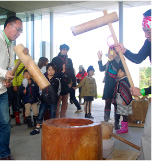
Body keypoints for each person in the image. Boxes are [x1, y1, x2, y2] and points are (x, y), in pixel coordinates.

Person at [115, 9, 151, 160]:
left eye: (148, 31)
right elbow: (137, 59)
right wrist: (124, 51)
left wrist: (143, 91)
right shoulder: (149, 42)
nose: (146, 35)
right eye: (144, 31)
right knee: (149, 134)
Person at [0, 16, 23, 160]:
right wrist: (4, 73)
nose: (19, 33)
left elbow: (9, 66)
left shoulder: (11, 45)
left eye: (21, 31)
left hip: (2, 91)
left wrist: (7, 79)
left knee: (5, 124)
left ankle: (4, 154)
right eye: (18, 29)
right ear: (8, 25)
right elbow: (4, 70)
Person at [30, 62, 60, 135]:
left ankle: (52, 129)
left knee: (52, 114)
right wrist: (41, 96)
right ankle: (37, 128)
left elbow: (59, 90)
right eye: (49, 69)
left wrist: (56, 97)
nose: (51, 71)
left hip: (53, 101)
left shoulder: (57, 80)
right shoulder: (43, 79)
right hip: (44, 100)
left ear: (55, 71)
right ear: (47, 70)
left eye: (52, 70)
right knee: (41, 113)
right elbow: (40, 88)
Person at [52, 44, 82, 113]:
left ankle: (63, 118)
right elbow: (53, 71)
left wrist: (74, 84)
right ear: (60, 50)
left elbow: (71, 72)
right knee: (57, 102)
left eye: (66, 50)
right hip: (58, 83)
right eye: (63, 49)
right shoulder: (55, 59)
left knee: (65, 102)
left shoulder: (69, 60)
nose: (65, 51)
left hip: (66, 83)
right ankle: (56, 119)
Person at [97, 47, 122, 128]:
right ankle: (106, 122)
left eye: (111, 49)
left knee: (116, 104)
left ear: (115, 51)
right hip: (108, 84)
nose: (109, 51)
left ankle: (117, 123)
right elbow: (101, 69)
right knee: (107, 103)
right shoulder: (109, 60)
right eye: (109, 50)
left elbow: (119, 68)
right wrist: (100, 59)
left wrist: (112, 60)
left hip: (116, 84)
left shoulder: (120, 58)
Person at [112, 67, 132, 134]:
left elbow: (127, 92)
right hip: (120, 100)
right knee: (123, 114)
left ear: (125, 72)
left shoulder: (125, 81)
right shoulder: (120, 80)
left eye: (121, 72)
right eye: (118, 72)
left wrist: (126, 101)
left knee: (124, 114)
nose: (119, 73)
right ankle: (123, 127)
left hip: (124, 101)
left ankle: (124, 128)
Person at [11, 59, 26, 125]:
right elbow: (13, 74)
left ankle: (25, 116)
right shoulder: (15, 62)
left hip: (26, 86)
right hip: (18, 85)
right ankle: (17, 119)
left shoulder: (28, 61)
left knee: (26, 101)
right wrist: (14, 85)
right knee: (17, 102)